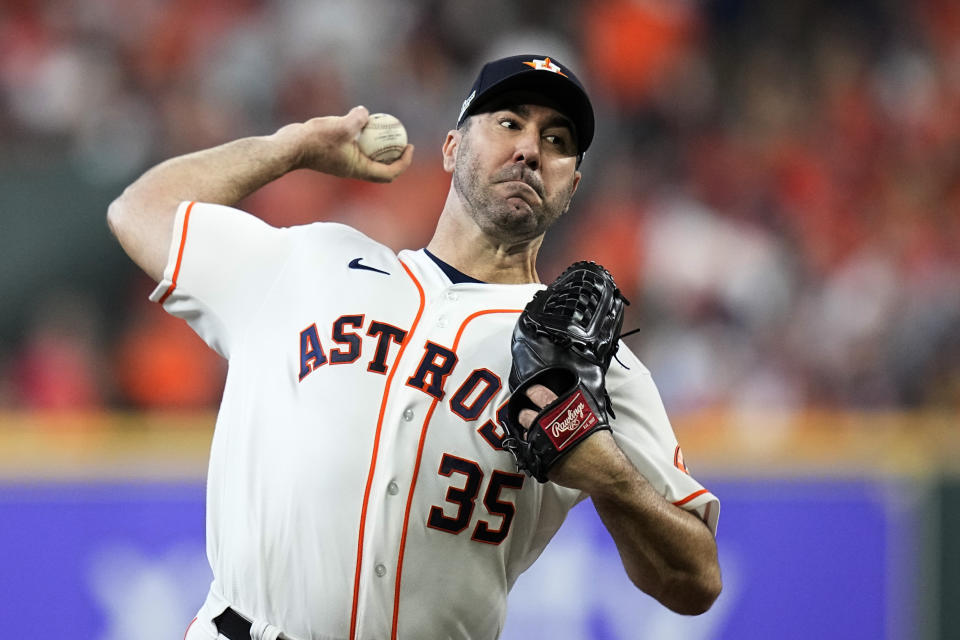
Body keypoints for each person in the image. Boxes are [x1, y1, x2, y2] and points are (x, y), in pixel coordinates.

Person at [108, 53, 721, 640]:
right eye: (509, 123)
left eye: (558, 141)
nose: (531, 149)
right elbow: (140, 210)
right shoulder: (311, 261)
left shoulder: (590, 360)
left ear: (572, 185)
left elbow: (695, 581)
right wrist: (289, 147)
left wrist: (610, 477)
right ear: (452, 149)